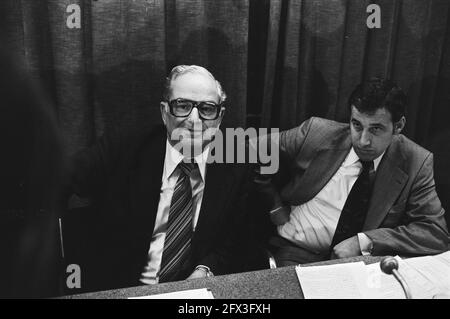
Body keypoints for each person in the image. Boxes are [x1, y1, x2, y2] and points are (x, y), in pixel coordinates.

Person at [67, 65, 253, 291]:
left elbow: (235, 240)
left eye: (207, 109)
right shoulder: (125, 147)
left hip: (194, 294)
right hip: (124, 288)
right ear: (165, 112)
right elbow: (61, 179)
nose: (194, 120)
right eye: (182, 106)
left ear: (220, 117)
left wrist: (205, 268)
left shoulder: (237, 162)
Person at [260, 78, 449, 266]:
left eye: (376, 129)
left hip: (361, 263)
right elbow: (251, 148)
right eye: (357, 125)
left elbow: (435, 232)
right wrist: (274, 203)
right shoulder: (316, 133)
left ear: (398, 126)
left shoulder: (416, 161)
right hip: (299, 252)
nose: (363, 141)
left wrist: (364, 242)